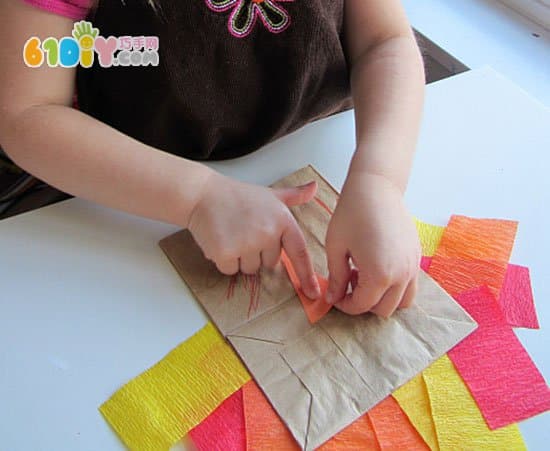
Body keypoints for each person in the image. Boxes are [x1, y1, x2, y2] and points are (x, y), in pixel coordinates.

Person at [0, 0, 424, 317]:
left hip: (315, 168)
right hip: (137, 200)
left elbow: (384, 43)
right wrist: (198, 196)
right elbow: (28, 113)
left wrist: (380, 179)